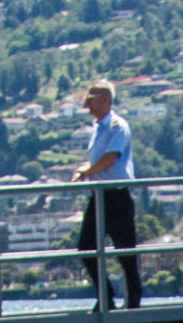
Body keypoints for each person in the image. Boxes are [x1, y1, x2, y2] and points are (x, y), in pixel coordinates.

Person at [73, 80, 142, 309]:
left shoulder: (116, 126)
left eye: (91, 102)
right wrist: (86, 169)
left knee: (125, 251)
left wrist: (87, 171)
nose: (88, 106)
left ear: (105, 101)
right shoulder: (99, 128)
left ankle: (133, 299)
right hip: (100, 196)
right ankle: (106, 297)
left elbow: (111, 157)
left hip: (117, 196)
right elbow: (100, 160)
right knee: (86, 247)